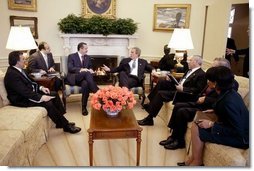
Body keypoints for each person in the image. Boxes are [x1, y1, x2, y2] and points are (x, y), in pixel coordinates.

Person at [160, 58, 239, 150]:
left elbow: (222, 100)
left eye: (214, 67)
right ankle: (173, 137)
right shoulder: (214, 79)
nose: (211, 69)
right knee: (178, 105)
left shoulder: (231, 83)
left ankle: (179, 141)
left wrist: (206, 99)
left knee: (183, 111)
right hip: (201, 102)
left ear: (222, 69)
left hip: (209, 108)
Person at [177, 66, 249, 166]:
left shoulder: (229, 102)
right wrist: (215, 110)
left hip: (241, 139)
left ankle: (197, 161)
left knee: (197, 128)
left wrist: (212, 124)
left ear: (215, 83)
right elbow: (225, 111)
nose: (207, 82)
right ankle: (193, 158)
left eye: (209, 80)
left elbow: (238, 131)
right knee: (196, 124)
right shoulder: (228, 92)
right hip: (233, 130)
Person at [4, 51, 81, 134]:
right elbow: (24, 92)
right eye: (23, 59)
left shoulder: (21, 70)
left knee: (54, 94)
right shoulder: (12, 74)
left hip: (29, 94)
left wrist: (41, 88)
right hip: (21, 99)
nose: (25, 61)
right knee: (48, 103)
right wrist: (41, 97)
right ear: (17, 61)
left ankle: (60, 121)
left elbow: (31, 81)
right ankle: (66, 126)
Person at [138, 55, 207, 126]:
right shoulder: (189, 70)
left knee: (160, 94)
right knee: (162, 82)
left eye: (190, 60)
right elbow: (182, 81)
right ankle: (150, 102)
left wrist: (183, 89)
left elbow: (198, 90)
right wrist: (172, 79)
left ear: (196, 62)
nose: (188, 62)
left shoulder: (201, 74)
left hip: (184, 93)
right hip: (179, 87)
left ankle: (149, 119)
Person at [67, 42, 99, 116]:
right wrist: (81, 69)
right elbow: (70, 68)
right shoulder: (71, 56)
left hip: (84, 80)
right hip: (75, 78)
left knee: (86, 84)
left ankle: (84, 107)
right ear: (80, 49)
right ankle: (97, 91)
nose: (87, 50)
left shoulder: (87, 57)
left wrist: (90, 69)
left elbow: (90, 66)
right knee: (86, 73)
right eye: (85, 48)